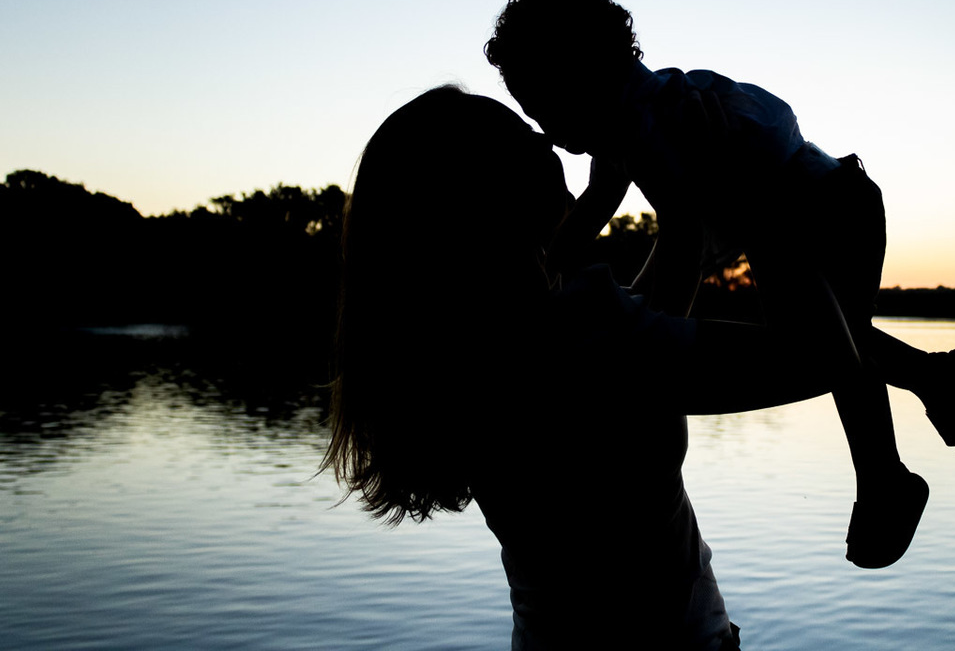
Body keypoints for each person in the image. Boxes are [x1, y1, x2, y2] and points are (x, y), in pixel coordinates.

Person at [321, 86, 912, 650]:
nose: (547, 142)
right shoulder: (568, 339)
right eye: (524, 136)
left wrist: (633, 205)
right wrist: (750, 197)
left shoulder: (476, 339)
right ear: (482, 194)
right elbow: (814, 359)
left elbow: (645, 335)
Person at [483, 0, 955, 568]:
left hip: (826, 212)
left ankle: (886, 475)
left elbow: (685, 233)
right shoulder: (620, 126)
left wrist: (647, 337)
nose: (547, 129)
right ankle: (931, 377)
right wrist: (544, 269)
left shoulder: (649, 119)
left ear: (581, 75)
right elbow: (597, 204)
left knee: (829, 348)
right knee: (816, 339)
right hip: (792, 222)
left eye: (543, 107)